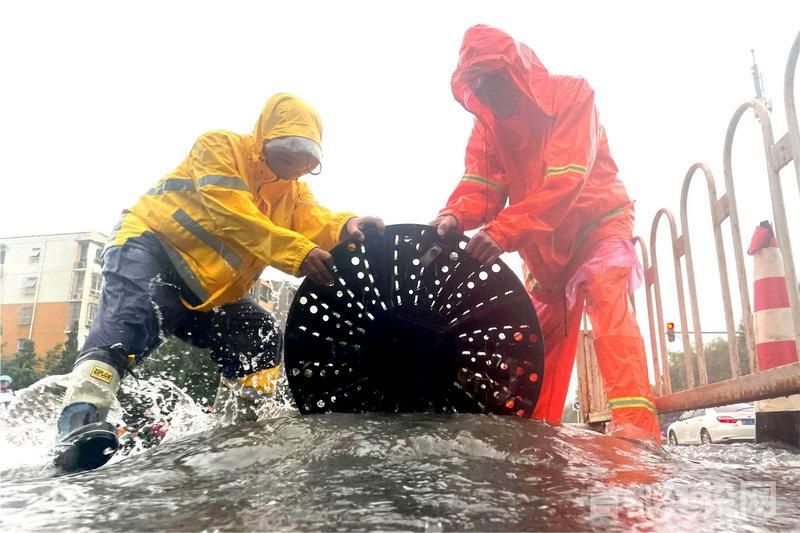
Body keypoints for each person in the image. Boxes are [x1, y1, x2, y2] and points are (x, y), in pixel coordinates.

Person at [55, 93, 384, 471]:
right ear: (263, 137)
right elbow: (232, 216)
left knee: (260, 334)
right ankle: (78, 421)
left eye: (305, 157)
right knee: (131, 316)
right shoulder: (219, 147)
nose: (293, 163)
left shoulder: (293, 192)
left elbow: (313, 218)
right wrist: (297, 252)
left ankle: (234, 432)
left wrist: (345, 226)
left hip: (206, 288)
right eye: (285, 150)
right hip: (151, 248)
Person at [433, 25, 660, 443]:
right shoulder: (487, 129)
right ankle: (531, 433)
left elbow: (566, 181)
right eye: (475, 84)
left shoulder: (571, 96)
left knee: (607, 297)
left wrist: (504, 232)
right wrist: (452, 216)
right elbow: (482, 187)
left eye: (490, 79)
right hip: (542, 250)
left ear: (516, 72)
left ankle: (637, 434)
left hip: (597, 224)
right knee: (532, 339)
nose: (485, 92)